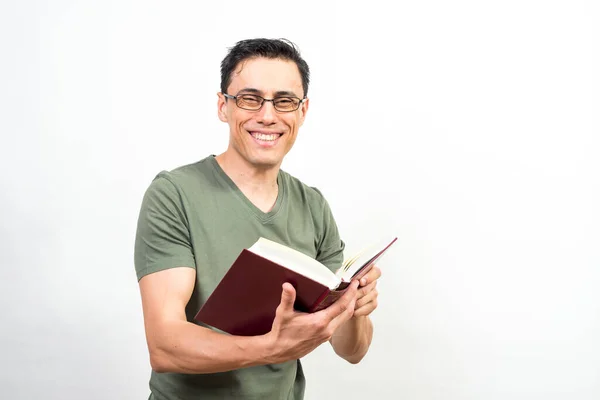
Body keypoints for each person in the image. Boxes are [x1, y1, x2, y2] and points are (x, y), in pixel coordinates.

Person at [134, 38, 382, 400]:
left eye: (284, 101)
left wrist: (354, 307)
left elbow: (352, 351)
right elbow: (165, 345)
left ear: (303, 111)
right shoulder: (174, 194)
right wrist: (272, 347)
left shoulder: (312, 205)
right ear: (223, 106)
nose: (268, 116)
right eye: (250, 99)